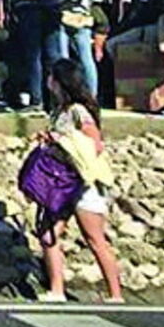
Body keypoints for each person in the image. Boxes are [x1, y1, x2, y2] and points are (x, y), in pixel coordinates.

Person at [35, 59, 124, 304]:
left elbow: (94, 143)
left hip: (85, 183)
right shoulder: (59, 112)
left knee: (95, 239)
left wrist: (61, 141)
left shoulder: (78, 111)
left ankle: (115, 294)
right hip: (62, 182)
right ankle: (56, 290)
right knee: (49, 235)